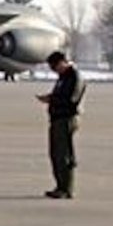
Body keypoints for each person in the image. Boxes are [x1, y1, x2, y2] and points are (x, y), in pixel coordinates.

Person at [36, 51, 85, 198]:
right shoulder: (63, 77)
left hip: (67, 119)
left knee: (64, 155)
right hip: (57, 119)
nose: (54, 70)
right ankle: (60, 186)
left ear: (63, 62)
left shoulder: (74, 77)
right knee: (56, 154)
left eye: (55, 67)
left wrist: (52, 100)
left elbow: (71, 100)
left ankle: (67, 188)